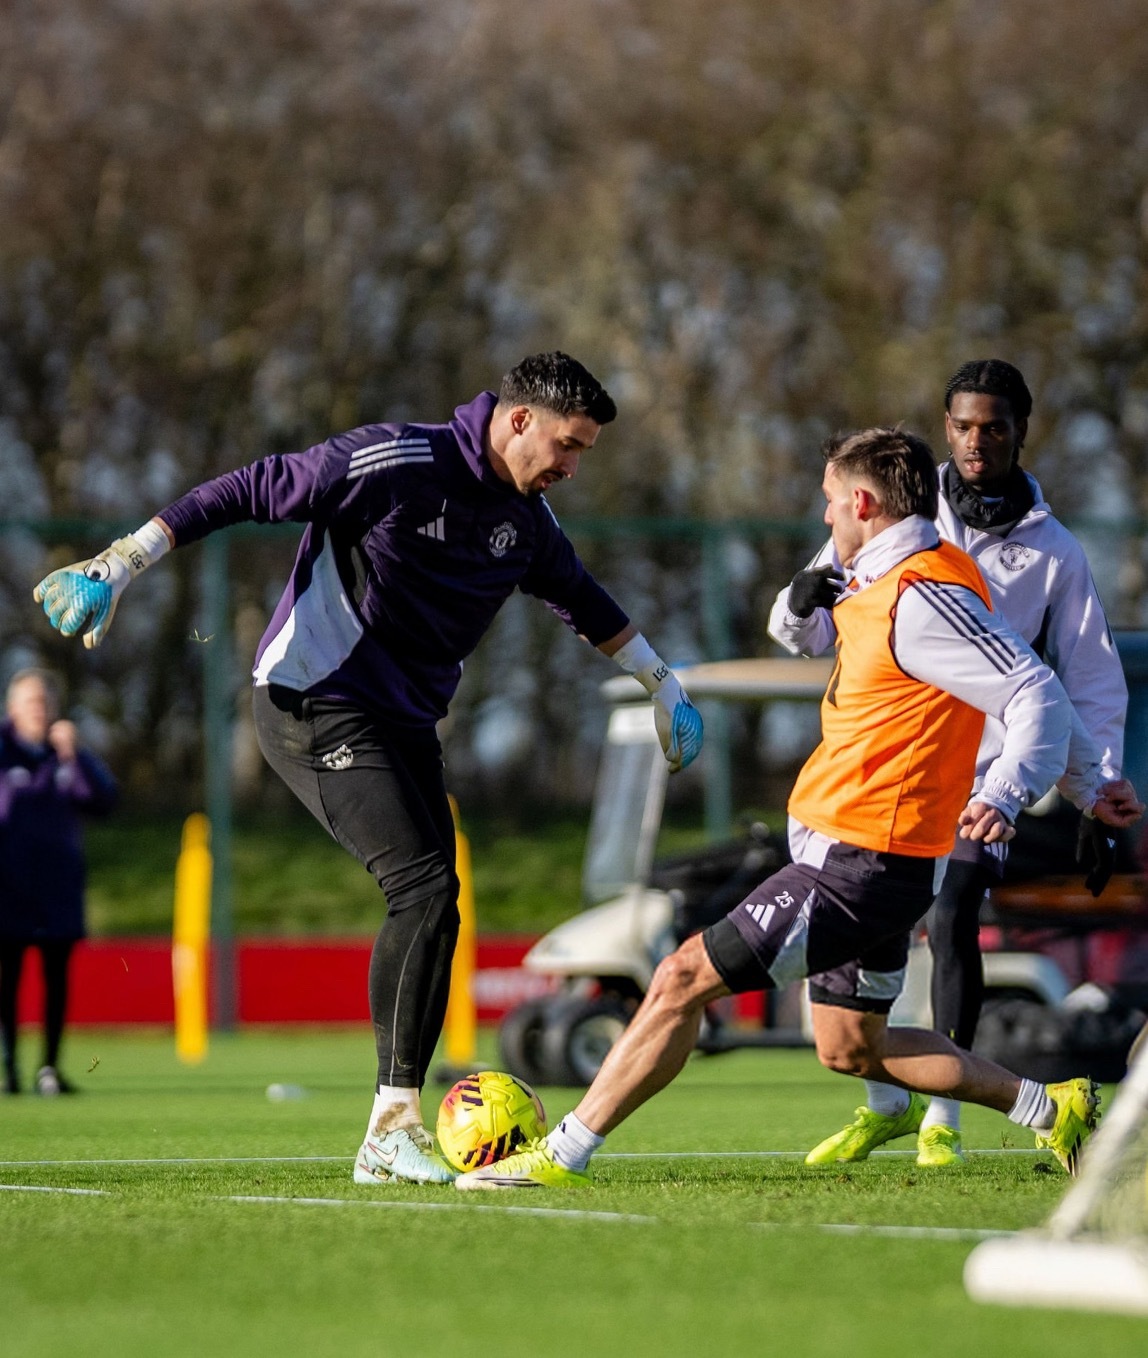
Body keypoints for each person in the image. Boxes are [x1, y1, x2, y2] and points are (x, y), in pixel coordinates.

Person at [33, 351, 703, 1182]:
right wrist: (123, 562)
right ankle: (389, 1128)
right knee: (421, 888)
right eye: (568, 445)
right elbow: (248, 487)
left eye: (584, 453)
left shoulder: (527, 519)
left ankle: (392, 1126)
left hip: (406, 722)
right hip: (308, 702)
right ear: (520, 420)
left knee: (439, 903)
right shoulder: (394, 460)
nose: (571, 465)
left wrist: (662, 682)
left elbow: (581, 598)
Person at [453, 425, 1106, 1191]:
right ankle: (1050, 1106)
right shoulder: (880, 571)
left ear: (862, 501)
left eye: (830, 503)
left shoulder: (922, 595)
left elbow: (1037, 692)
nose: (824, 517)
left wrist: (1006, 792)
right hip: (871, 859)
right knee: (849, 1047)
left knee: (677, 977)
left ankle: (559, 1155)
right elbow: (800, 621)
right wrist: (800, 608)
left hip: (863, 863)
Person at [769, 360, 1143, 1169]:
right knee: (860, 927)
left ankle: (945, 1114)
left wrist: (1095, 788)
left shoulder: (1056, 552)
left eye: (995, 426)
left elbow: (1085, 675)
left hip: (983, 782)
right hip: (883, 768)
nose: (978, 440)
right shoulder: (899, 511)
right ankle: (888, 1101)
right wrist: (796, 605)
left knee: (954, 905)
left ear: (1020, 431)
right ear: (947, 428)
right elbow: (811, 621)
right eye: (965, 425)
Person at [0, 669, 117, 1095]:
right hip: (8, 888)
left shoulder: (65, 753)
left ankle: (48, 1068)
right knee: (7, 980)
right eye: (31, 701)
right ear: (13, 707)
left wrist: (75, 755)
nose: (39, 710)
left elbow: (103, 802)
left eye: (45, 702)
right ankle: (8, 1068)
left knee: (56, 979)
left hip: (57, 889)